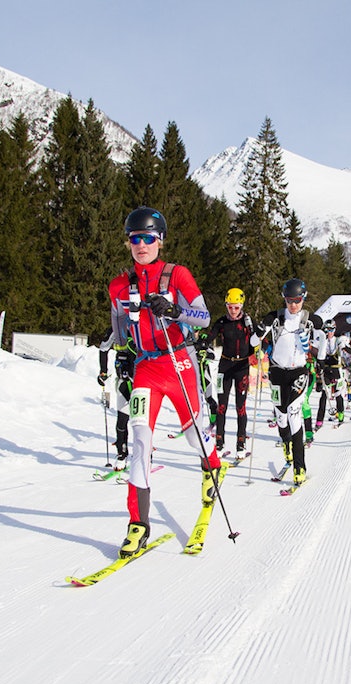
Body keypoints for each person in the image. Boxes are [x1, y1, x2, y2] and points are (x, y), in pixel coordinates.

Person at [106, 206, 223, 557]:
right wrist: (119, 353)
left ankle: (212, 465)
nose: (141, 244)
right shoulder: (118, 285)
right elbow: (118, 329)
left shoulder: (177, 275)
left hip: (179, 363)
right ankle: (138, 525)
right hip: (146, 368)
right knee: (140, 441)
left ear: (160, 241)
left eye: (148, 238)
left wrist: (174, 310)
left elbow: (203, 318)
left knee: (193, 436)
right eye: (134, 238)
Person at [260, 278, 322, 487]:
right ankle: (286, 445)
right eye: (289, 300)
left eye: (297, 300)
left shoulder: (310, 319)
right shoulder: (275, 317)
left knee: (295, 413)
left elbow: (321, 339)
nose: (293, 305)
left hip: (299, 371)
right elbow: (256, 338)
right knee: (281, 416)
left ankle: (299, 467)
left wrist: (315, 340)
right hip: (277, 371)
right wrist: (260, 335)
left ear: (303, 298)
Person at [206, 288, 259, 458]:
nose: (233, 311)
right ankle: (219, 444)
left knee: (240, 407)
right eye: (230, 307)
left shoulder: (248, 322)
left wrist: (255, 352)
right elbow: (210, 336)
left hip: (242, 367)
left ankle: (240, 444)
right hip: (225, 366)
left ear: (241, 306)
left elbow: (260, 339)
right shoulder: (222, 322)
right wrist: (203, 344)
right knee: (222, 406)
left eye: (236, 307)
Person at [97, 333, 137, 469]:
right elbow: (103, 348)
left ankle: (144, 456)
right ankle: (122, 454)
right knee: (121, 420)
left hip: (141, 382)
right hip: (123, 382)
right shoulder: (115, 329)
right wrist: (103, 372)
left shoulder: (139, 325)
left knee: (140, 422)